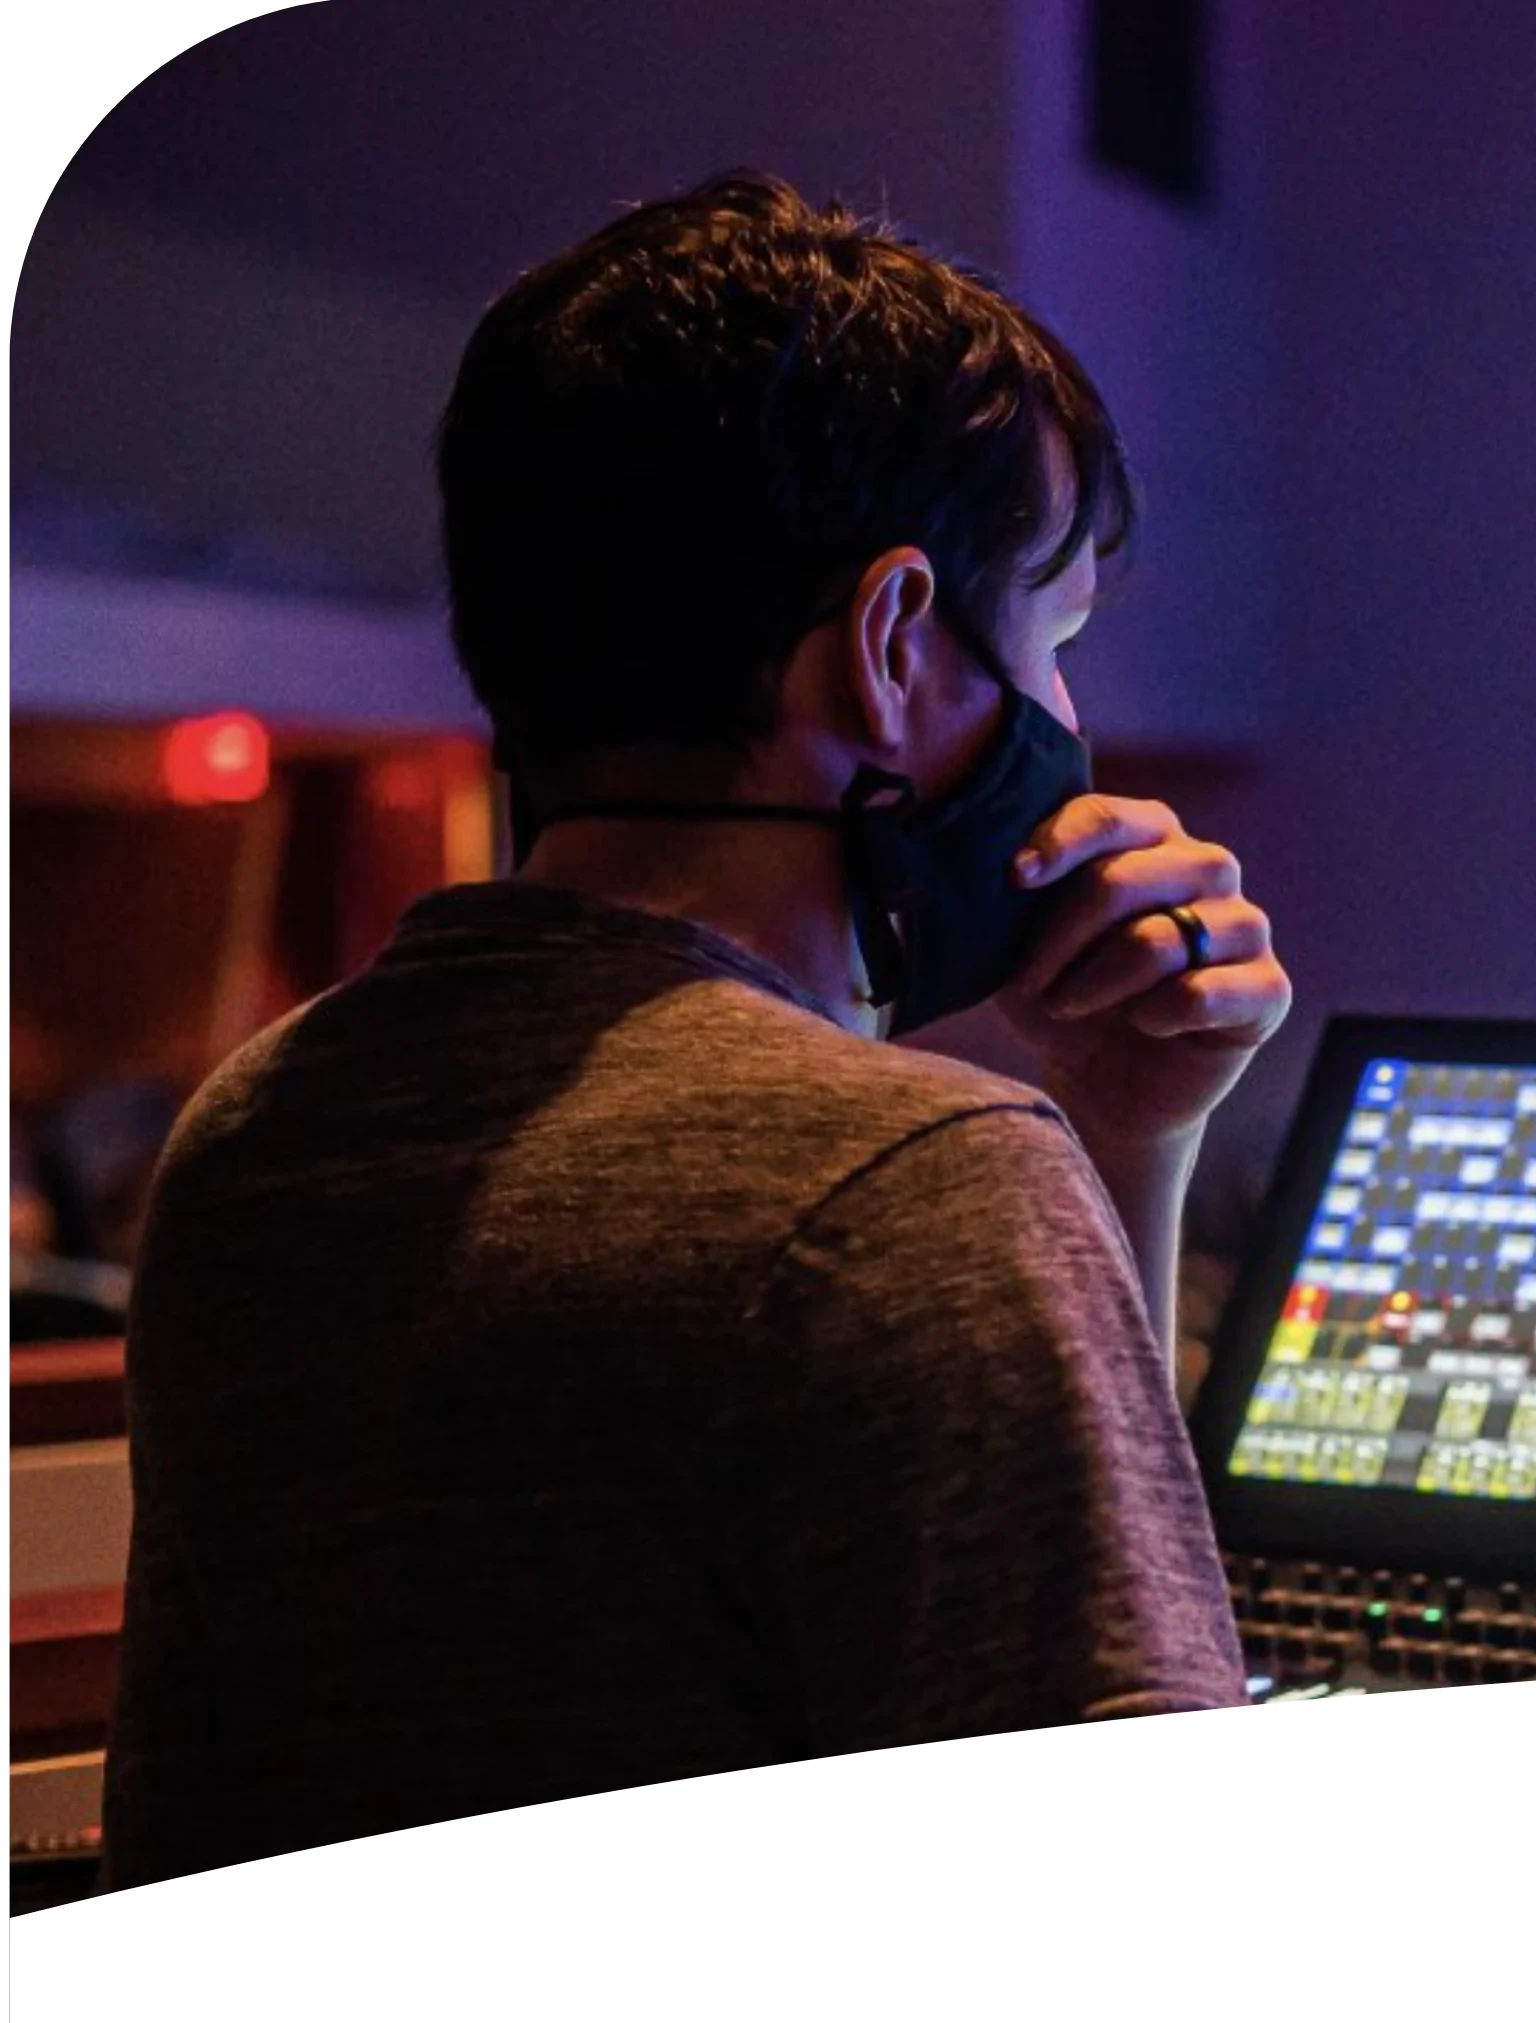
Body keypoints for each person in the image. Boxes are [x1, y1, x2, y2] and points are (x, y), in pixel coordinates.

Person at [103, 173, 1288, 1887]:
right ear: (894, 644)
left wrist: (1129, 1133)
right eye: (1054, 636)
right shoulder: (908, 1188)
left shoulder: (254, 1135)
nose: (1065, 717)